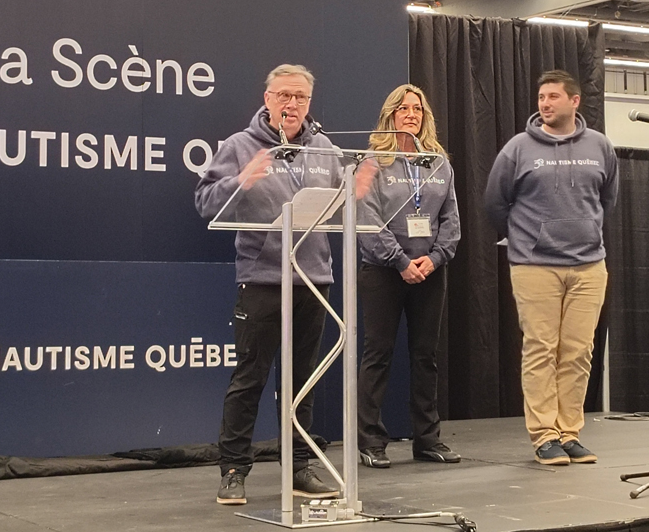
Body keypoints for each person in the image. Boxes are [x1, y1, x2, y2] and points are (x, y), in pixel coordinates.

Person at [195, 64, 341, 505]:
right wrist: (242, 180)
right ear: (267, 99)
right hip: (261, 279)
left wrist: (358, 192)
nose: (291, 104)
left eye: (299, 97)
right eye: (283, 96)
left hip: (313, 280)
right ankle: (234, 470)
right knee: (250, 378)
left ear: (309, 103)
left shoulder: (326, 150)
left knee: (302, 383)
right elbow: (203, 201)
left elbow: (341, 206)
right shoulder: (240, 146)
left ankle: (298, 467)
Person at [484, 69, 618, 465]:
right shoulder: (518, 148)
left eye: (553, 97)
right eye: (541, 97)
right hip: (534, 264)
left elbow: (608, 199)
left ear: (574, 101)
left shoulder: (600, 146)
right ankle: (544, 435)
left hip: (589, 265)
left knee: (578, 352)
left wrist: (586, 233)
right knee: (541, 349)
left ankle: (569, 432)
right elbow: (495, 203)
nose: (544, 103)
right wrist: (526, 237)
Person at [355, 84, 461, 469]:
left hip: (430, 272)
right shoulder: (372, 162)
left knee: (425, 357)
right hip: (383, 272)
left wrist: (435, 258)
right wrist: (400, 261)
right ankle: (370, 441)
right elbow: (365, 221)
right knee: (378, 354)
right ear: (390, 116)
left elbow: (451, 220)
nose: (411, 114)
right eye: (403, 109)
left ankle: (427, 439)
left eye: (417, 108)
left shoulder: (438, 163)